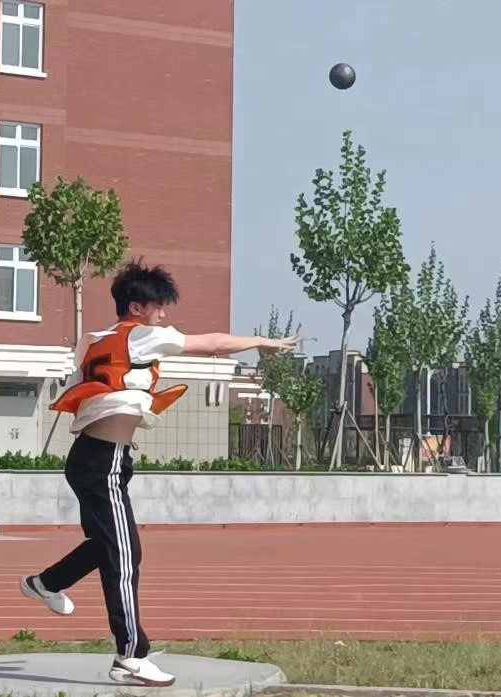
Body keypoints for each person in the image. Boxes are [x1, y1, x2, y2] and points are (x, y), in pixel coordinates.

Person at [17, 260, 297, 687]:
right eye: (158, 307)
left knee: (111, 547)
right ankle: (131, 655)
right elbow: (213, 343)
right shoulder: (143, 335)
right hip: (103, 461)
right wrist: (261, 342)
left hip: (94, 457)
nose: (163, 315)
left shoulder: (94, 340)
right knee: (125, 557)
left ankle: (45, 583)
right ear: (137, 307)